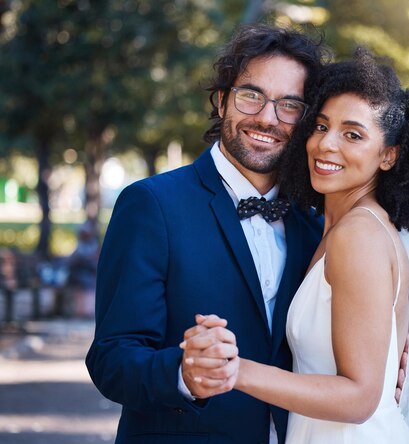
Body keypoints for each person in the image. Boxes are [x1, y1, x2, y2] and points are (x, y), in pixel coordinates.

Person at [184, 49, 409, 443]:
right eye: (321, 126)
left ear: (389, 155)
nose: (326, 145)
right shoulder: (339, 227)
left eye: (353, 135)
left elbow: (360, 397)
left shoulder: (358, 236)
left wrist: (233, 368)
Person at [85, 24, 328, 444]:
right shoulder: (151, 205)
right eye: (251, 95)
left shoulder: (316, 223)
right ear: (221, 100)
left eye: (290, 105)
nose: (267, 118)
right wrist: (183, 373)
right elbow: (111, 359)